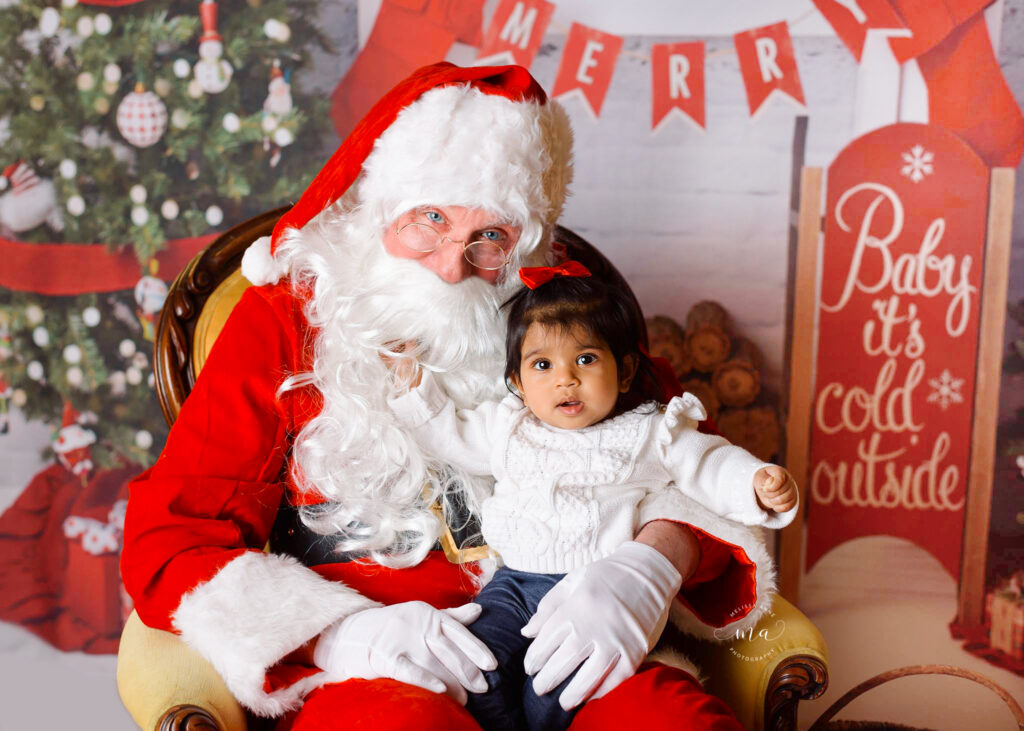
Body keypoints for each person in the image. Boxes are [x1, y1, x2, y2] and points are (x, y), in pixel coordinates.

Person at [121, 62, 784, 730]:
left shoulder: (560, 315)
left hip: (573, 648)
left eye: (488, 237)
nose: (449, 265)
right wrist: (339, 635)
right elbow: (174, 541)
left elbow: (678, 454)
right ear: (381, 202)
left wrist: (652, 564)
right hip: (382, 673)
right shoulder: (285, 317)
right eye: (430, 218)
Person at [382, 263, 798, 730]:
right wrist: (410, 384)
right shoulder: (508, 427)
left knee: (564, 684)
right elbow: (448, 434)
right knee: (475, 667)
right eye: (543, 365)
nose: (565, 379)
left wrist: (757, 481)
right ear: (518, 383)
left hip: (599, 594)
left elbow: (710, 464)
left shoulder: (649, 431)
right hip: (513, 587)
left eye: (585, 359)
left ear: (624, 373)